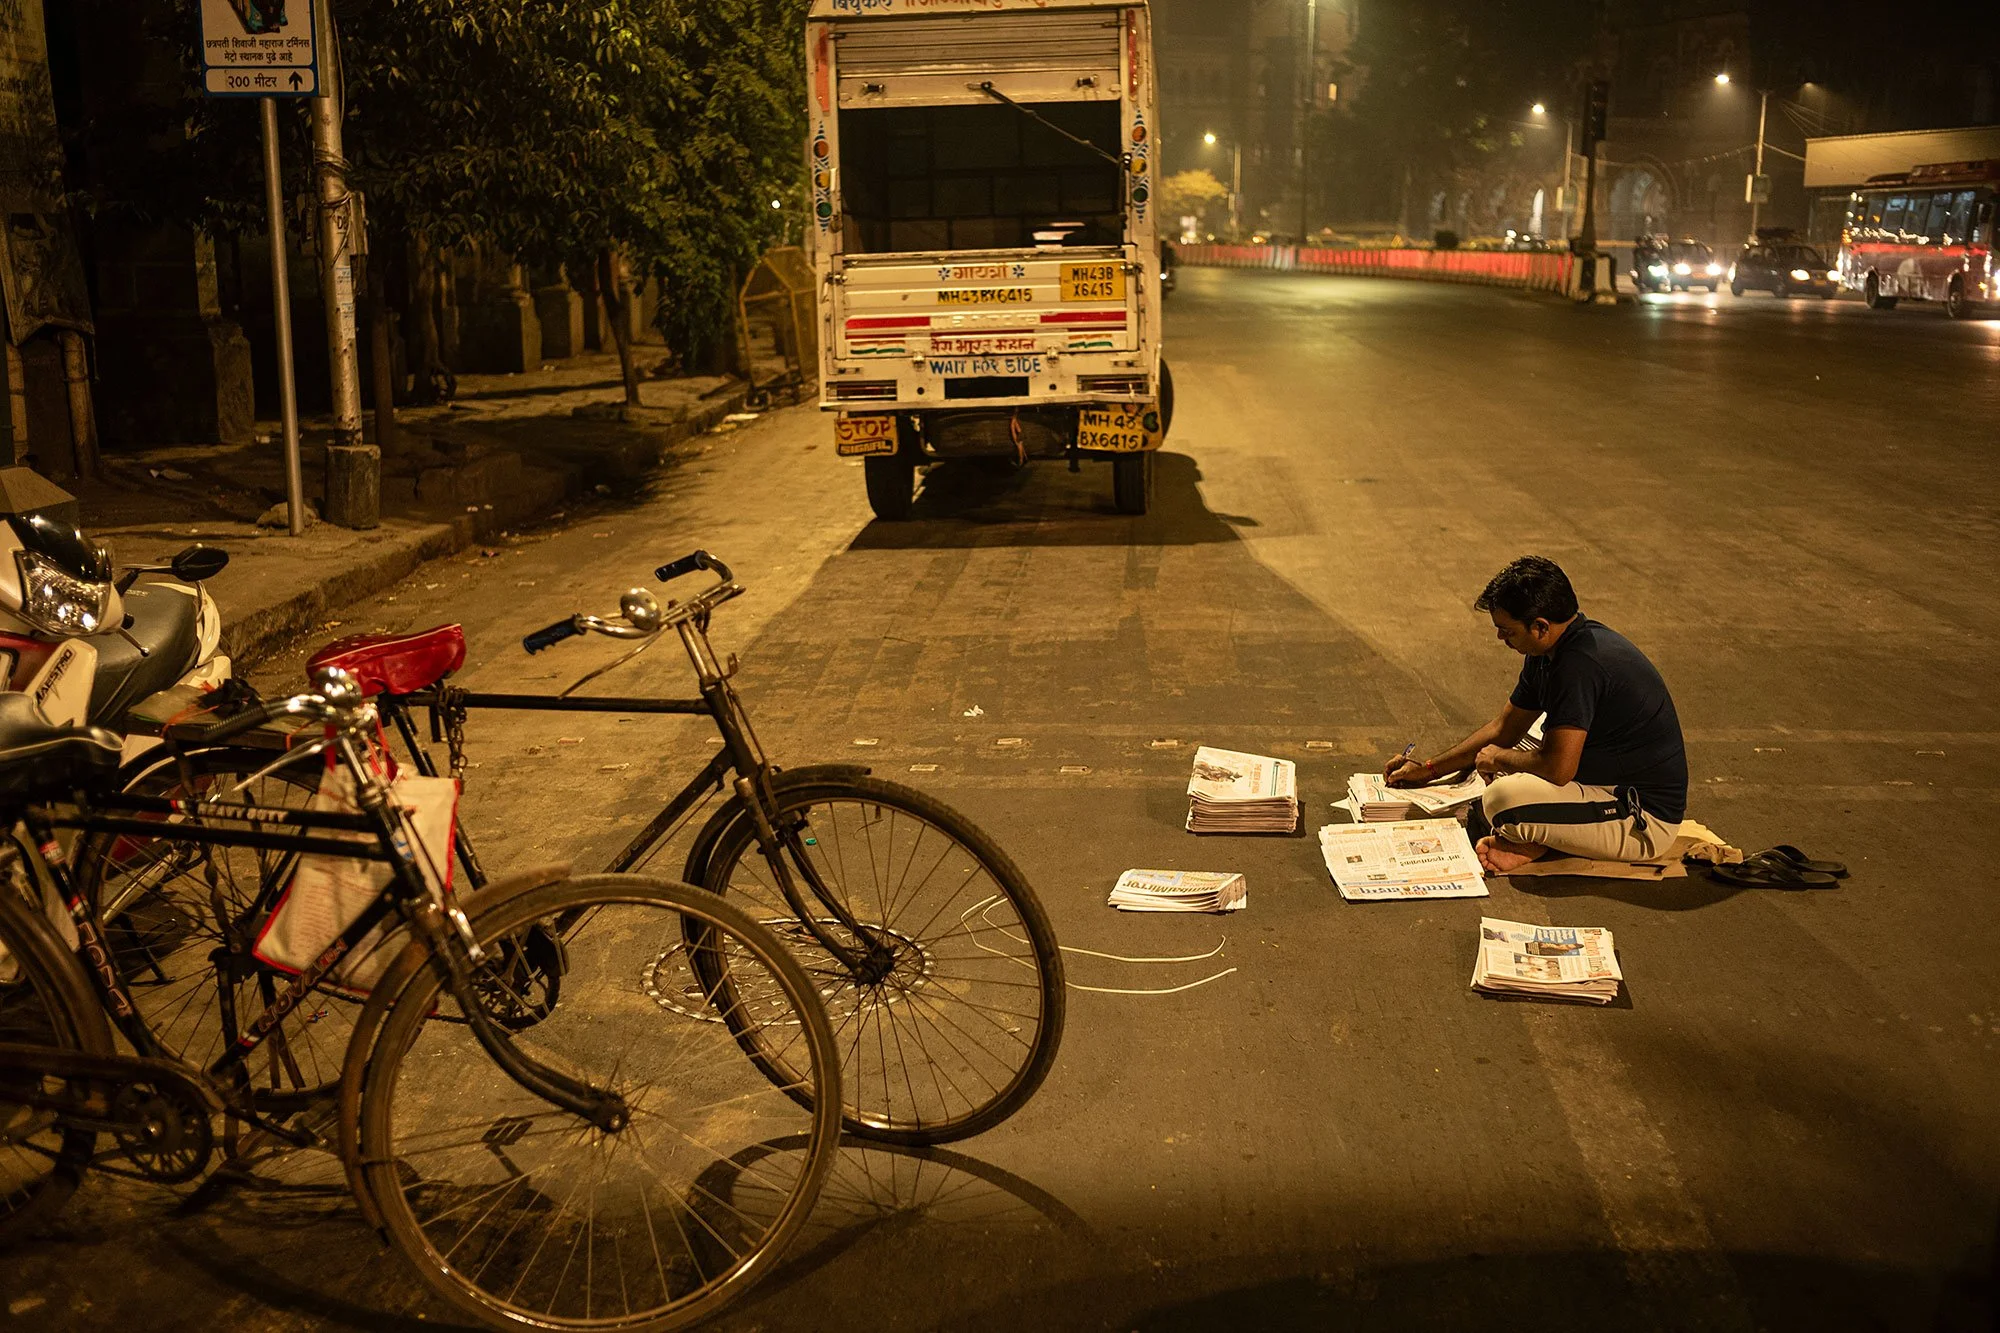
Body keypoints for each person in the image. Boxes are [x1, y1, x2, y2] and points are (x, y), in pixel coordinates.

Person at [1385, 556, 1687, 874]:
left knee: (1502, 802)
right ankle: (1540, 836)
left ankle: (1533, 840)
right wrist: (1429, 770)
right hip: (1600, 781)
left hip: (1640, 818)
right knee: (1524, 741)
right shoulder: (1548, 651)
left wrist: (1501, 759)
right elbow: (1504, 729)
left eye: (1507, 631)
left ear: (1540, 627)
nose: (1501, 639)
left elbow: (1557, 769)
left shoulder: (1578, 666)